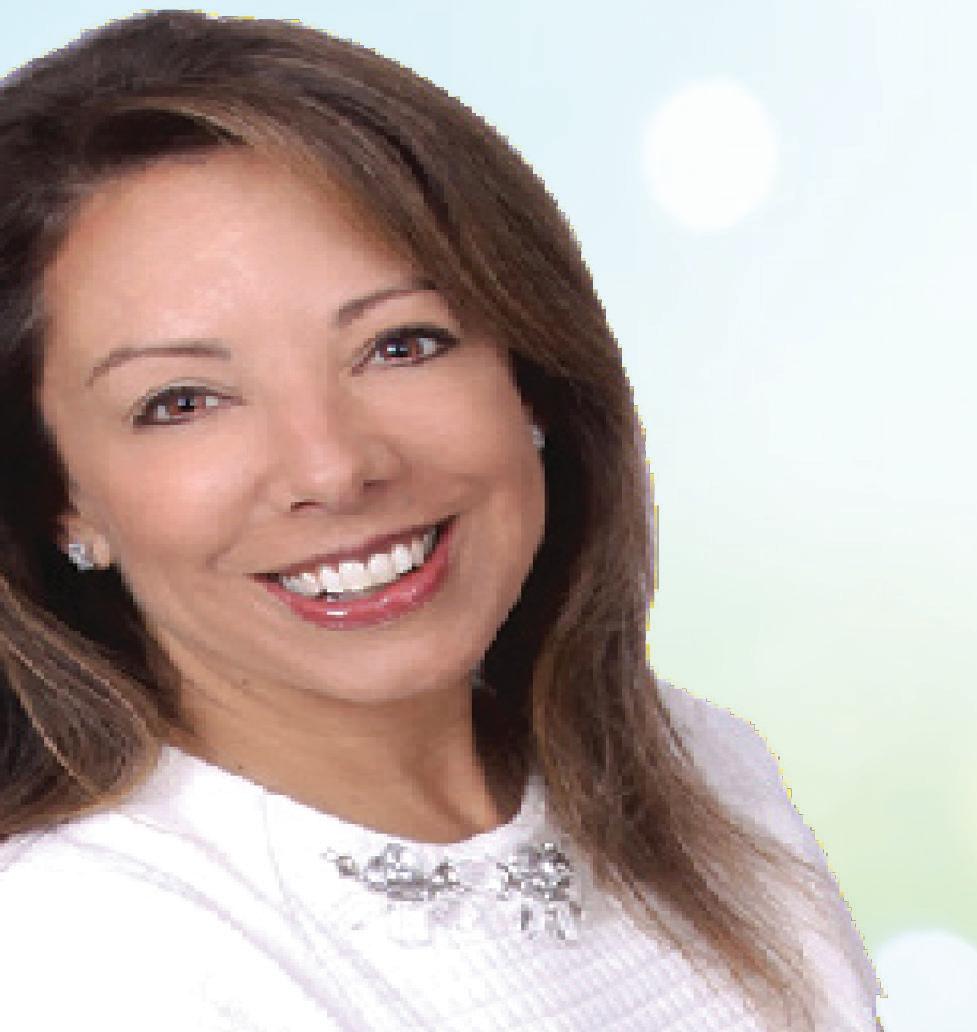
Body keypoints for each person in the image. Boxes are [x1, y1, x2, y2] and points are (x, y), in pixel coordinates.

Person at [0, 10, 882, 1031]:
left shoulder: (703, 765)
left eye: (400, 345)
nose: (334, 468)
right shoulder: (82, 955)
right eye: (183, 402)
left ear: (530, 374)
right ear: (59, 496)